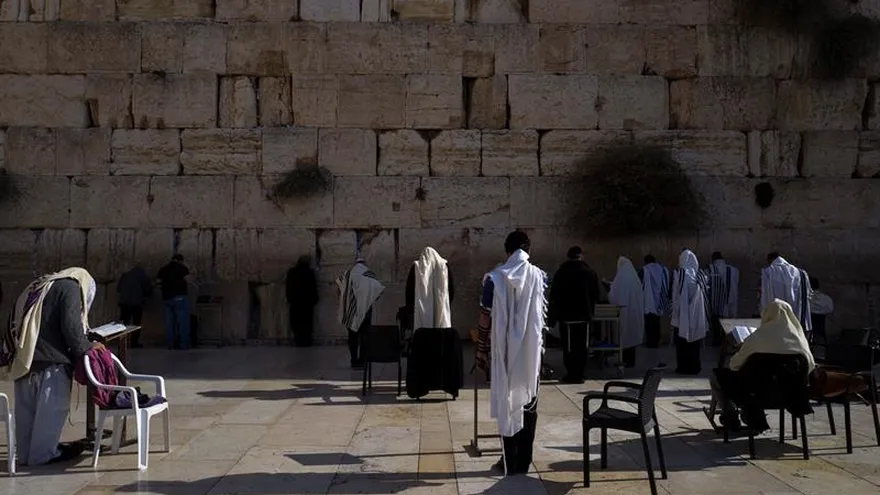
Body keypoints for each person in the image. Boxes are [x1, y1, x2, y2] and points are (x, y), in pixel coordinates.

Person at [1, 267, 102, 466]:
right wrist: (88, 348)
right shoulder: (70, 287)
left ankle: (24, 454)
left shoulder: (41, 284)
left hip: (25, 359)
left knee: (26, 413)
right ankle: (43, 455)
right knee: (51, 412)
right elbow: (71, 328)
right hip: (52, 362)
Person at [475, 231, 547, 476]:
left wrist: (481, 350)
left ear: (507, 251)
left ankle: (509, 461)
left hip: (503, 352)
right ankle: (524, 461)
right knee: (529, 404)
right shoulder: (540, 277)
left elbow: (485, 316)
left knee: (508, 403)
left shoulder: (494, 279)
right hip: (531, 354)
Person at [710, 299, 815, 429]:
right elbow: (810, 366)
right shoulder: (799, 340)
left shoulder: (758, 337)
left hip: (755, 393)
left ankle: (730, 415)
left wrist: (742, 349)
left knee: (717, 376)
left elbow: (734, 365)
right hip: (791, 396)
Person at [547, 246, 599, 384]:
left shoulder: (561, 272)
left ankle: (571, 373)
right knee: (582, 346)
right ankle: (580, 374)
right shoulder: (590, 272)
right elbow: (595, 294)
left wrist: (554, 316)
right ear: (580, 256)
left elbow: (555, 295)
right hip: (584, 317)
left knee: (568, 346)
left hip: (567, 317)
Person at [336, 257, 385, 369]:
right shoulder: (369, 274)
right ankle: (363, 360)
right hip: (366, 310)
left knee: (352, 336)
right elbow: (378, 291)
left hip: (350, 310)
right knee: (365, 336)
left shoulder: (347, 274)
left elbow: (339, 291)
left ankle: (354, 360)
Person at [672, 249, 711, 375]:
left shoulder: (679, 274)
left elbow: (676, 296)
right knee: (694, 343)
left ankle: (683, 367)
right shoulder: (700, 275)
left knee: (682, 343)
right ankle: (694, 366)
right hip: (697, 315)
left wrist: (675, 313)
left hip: (682, 315)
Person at [405, 247, 455, 330]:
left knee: (423, 330)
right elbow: (451, 288)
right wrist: (447, 303)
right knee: (440, 328)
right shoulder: (444, 266)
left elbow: (409, 289)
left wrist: (410, 307)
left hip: (420, 308)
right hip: (441, 304)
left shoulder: (416, 267)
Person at [760, 253, 812, 333]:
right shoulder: (800, 273)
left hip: (777, 322)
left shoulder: (769, 272)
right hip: (797, 316)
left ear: (770, 260)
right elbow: (808, 295)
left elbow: (766, 297)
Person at [609, 257, 645, 368]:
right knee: (632, 336)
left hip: (624, 311)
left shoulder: (620, 277)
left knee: (623, 336)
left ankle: (623, 360)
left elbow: (614, 295)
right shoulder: (635, 278)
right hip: (634, 312)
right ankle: (631, 361)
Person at [156, 254, 191, 350]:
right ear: (180, 261)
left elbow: (158, 282)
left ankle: (170, 344)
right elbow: (188, 280)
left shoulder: (163, 269)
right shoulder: (182, 268)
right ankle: (184, 344)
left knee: (169, 323)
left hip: (167, 298)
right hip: (180, 297)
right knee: (183, 322)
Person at [706, 252, 740, 345]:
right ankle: (728, 342)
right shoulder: (734, 270)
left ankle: (717, 340)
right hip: (730, 300)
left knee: (716, 322)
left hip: (715, 302)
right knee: (728, 324)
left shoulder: (710, 269)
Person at [116, 263, 153, 348]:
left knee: (123, 323)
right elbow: (148, 291)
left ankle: (122, 342)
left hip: (124, 302)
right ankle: (134, 342)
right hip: (137, 303)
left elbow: (119, 288)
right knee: (136, 324)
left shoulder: (125, 275)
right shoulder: (143, 276)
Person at [286, 255, 319, 347]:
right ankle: (306, 342)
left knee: (296, 323)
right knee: (307, 324)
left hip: (295, 303)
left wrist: (289, 299)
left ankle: (298, 341)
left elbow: (288, 287)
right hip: (307, 304)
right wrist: (314, 300)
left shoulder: (292, 272)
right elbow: (313, 288)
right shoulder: (309, 272)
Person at [640, 254, 670, 348]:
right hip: (659, 299)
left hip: (648, 300)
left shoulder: (644, 269)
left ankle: (650, 342)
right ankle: (656, 341)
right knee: (657, 322)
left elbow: (640, 283)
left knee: (649, 323)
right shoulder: (662, 269)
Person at [808, 277, 834, 345]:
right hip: (820, 324)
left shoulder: (806, 299)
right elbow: (830, 309)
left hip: (808, 325)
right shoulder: (826, 298)